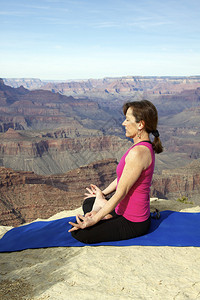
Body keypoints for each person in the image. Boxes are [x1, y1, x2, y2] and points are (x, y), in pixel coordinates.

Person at [69, 100, 163, 243]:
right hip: (121, 209)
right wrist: (103, 194)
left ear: (140, 124)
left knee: (81, 234)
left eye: (127, 119)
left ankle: (105, 213)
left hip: (133, 221)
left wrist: (94, 219)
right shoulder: (141, 147)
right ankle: (105, 211)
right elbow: (123, 178)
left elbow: (121, 192)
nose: (123, 123)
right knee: (89, 201)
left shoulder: (138, 153)